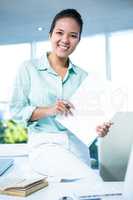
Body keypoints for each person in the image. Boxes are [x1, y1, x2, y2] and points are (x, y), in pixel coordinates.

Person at [10, 8, 112, 165]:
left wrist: (98, 130)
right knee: (83, 177)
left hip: (78, 148)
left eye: (73, 36)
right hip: (45, 145)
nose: (65, 40)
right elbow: (16, 111)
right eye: (59, 33)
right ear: (50, 35)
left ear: (78, 40)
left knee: (85, 185)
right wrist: (50, 110)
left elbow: (88, 121)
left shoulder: (83, 77)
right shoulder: (28, 68)